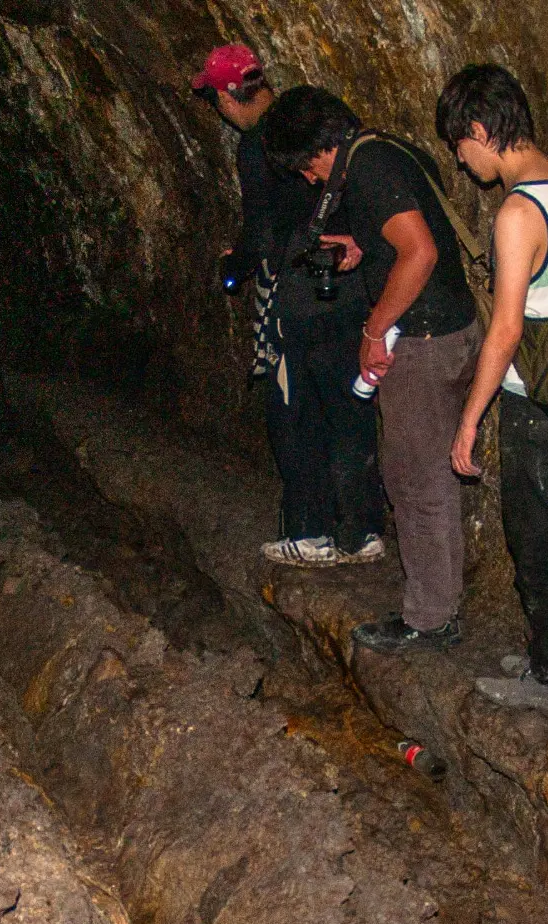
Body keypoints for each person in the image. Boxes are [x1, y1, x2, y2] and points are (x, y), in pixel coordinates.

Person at [262, 86, 481, 653]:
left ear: (321, 147)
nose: (310, 180)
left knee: (414, 479)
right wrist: (365, 248)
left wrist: (373, 328)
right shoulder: (385, 149)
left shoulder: (368, 169)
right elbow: (410, 233)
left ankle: (430, 618)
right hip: (451, 328)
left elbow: (421, 252)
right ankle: (440, 603)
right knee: (430, 476)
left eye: (307, 166)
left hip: (424, 340)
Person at [438, 64, 548, 715]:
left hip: (535, 396)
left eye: (459, 145)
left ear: (479, 130)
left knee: (535, 535)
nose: (460, 159)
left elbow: (504, 329)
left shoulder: (515, 213)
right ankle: (544, 651)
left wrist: (470, 419)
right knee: (546, 524)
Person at [192, 46, 387, 569]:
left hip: (297, 295)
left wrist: (243, 259)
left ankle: (310, 529)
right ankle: (363, 528)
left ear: (229, 97)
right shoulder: (315, 128)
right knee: (349, 404)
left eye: (213, 97)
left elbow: (263, 227)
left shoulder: (261, 145)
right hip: (348, 287)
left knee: (293, 410)